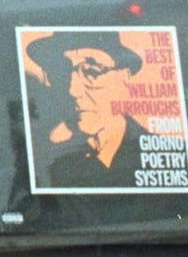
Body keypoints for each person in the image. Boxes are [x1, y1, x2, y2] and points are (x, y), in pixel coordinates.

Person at [24, 30, 149, 188]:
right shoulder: (38, 154)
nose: (73, 90)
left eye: (92, 72)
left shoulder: (163, 155)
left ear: (124, 77)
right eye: (62, 74)